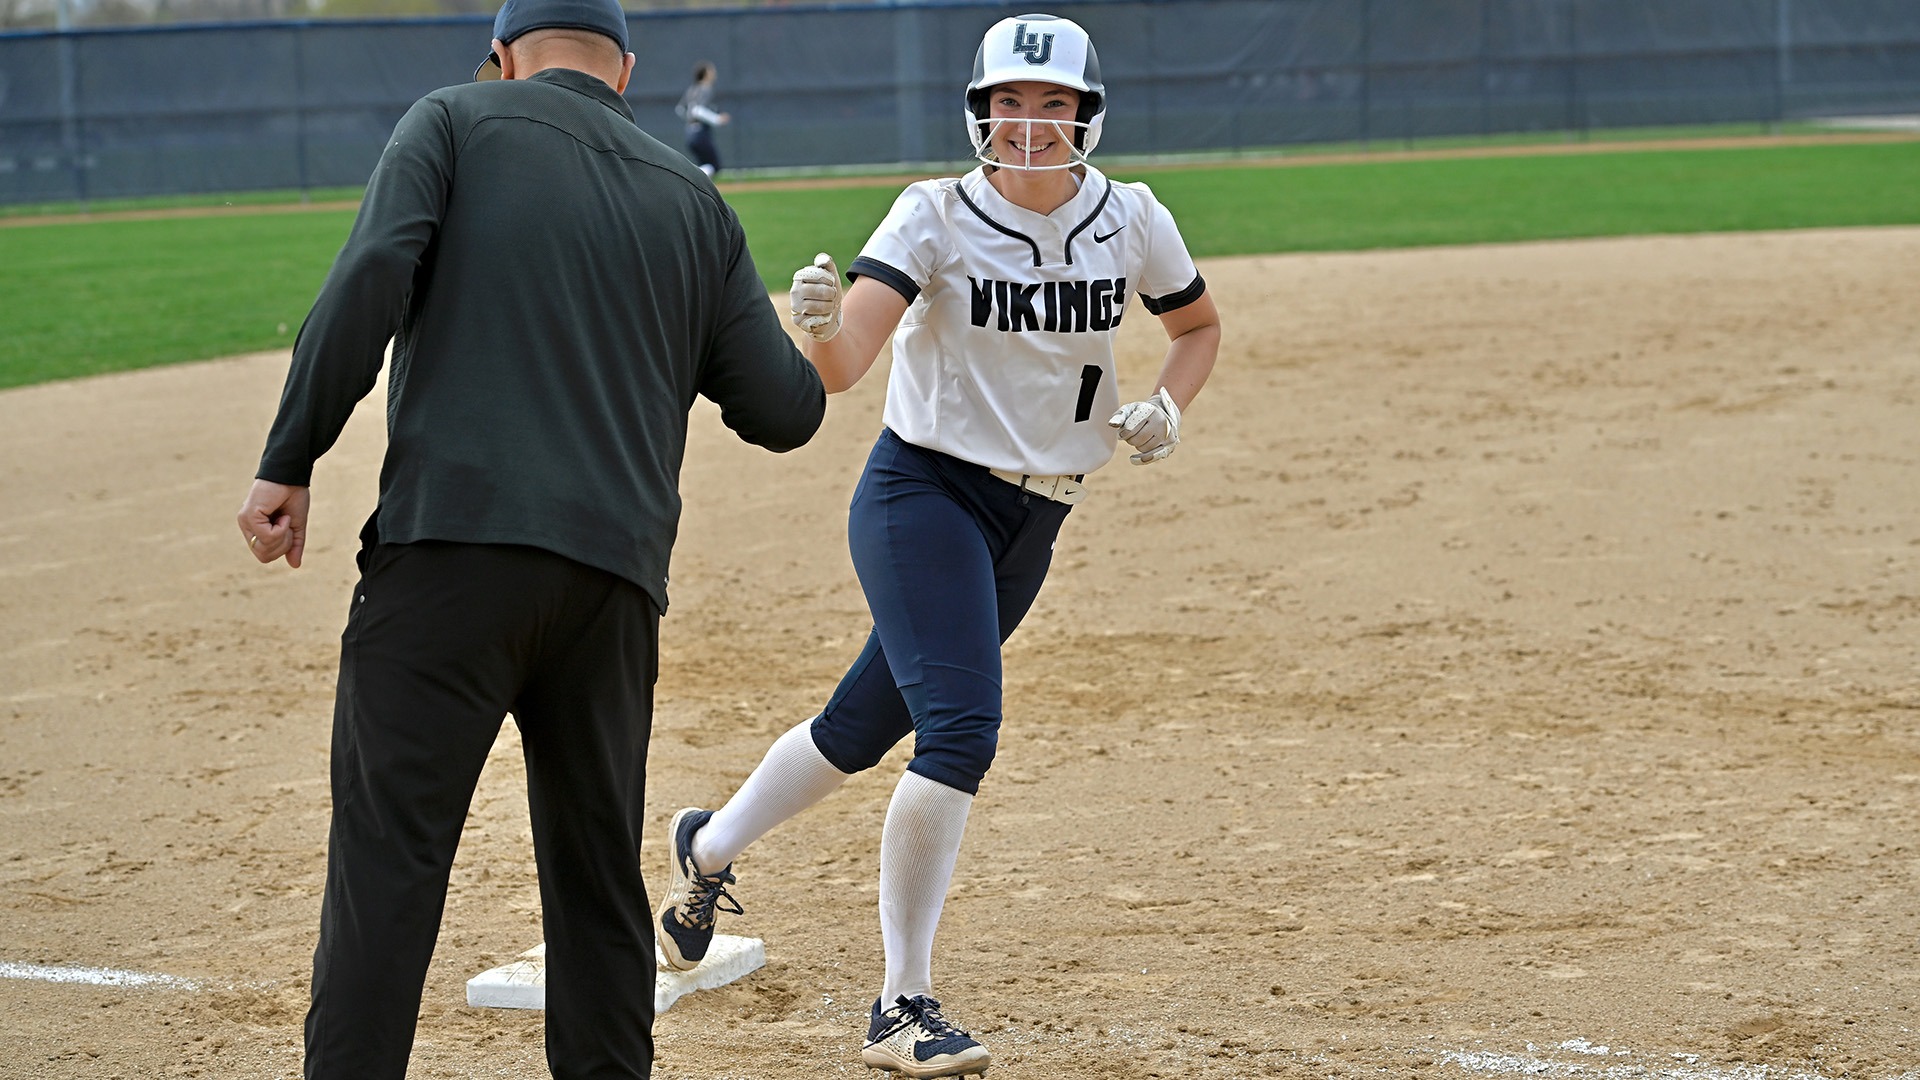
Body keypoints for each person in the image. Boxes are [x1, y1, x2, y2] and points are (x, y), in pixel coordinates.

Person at [233, 0, 826, 1074]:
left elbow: (370, 277)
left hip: (448, 556)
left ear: (503, 59)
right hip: (612, 589)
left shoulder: (454, 120)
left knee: (388, 870)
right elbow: (785, 413)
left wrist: (290, 457)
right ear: (626, 73)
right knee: (599, 886)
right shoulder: (695, 200)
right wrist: (807, 329)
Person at [651, 12, 1221, 1079]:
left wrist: (1167, 407)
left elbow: (1196, 328)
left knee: (859, 725)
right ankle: (900, 1005)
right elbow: (840, 369)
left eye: (1053, 105)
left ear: (1088, 116)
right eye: (1010, 101)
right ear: (980, 111)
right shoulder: (935, 214)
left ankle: (707, 848)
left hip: (1036, 516)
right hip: (924, 497)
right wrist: (816, 322)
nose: (1030, 125)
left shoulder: (1132, 218)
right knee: (960, 731)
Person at [676, 60, 730, 177]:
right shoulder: (705, 88)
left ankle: (698, 187)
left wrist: (691, 121)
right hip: (700, 133)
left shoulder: (692, 89)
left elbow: (680, 109)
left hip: (690, 133)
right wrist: (717, 119)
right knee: (714, 165)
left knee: (705, 164)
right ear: (706, 73)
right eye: (711, 70)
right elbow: (697, 110)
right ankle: (693, 181)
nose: (714, 73)